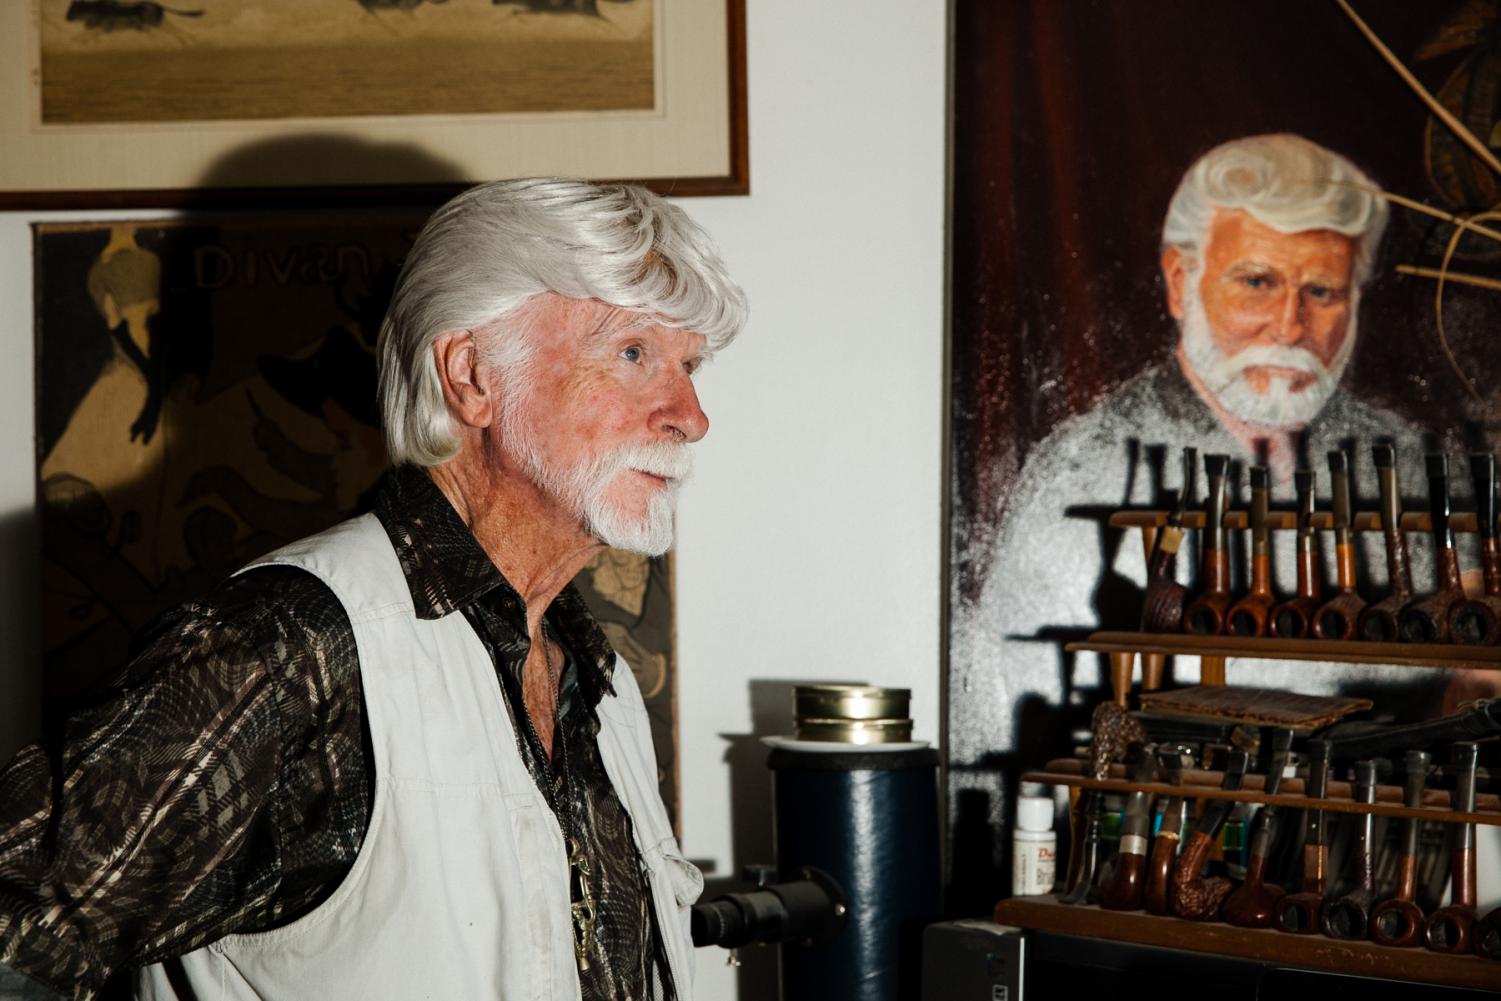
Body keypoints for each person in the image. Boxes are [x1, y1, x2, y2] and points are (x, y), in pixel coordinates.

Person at [0, 178, 746, 1000]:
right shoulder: (290, 644)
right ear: (471, 376)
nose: (690, 413)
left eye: (689, 365)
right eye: (634, 354)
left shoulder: (596, 682)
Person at [948, 134, 1450, 863]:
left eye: (1321, 291)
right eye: (1256, 282)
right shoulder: (1084, 469)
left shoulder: (1406, 461)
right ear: (1181, 281)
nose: (1289, 325)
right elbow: (1016, 719)